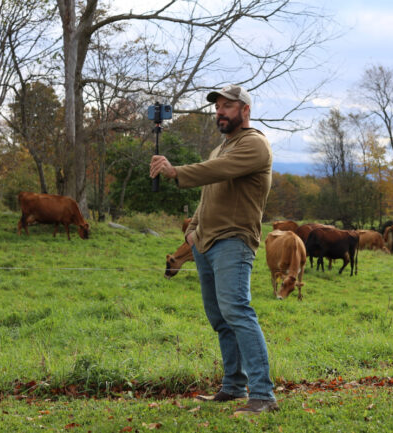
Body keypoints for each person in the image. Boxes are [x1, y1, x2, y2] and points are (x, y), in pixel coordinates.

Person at [149, 84, 278, 416]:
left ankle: (263, 395)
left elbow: (216, 172)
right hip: (206, 244)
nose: (220, 111)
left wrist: (176, 172)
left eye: (227, 106)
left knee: (238, 313)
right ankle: (233, 387)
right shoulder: (222, 147)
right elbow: (211, 192)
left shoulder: (254, 145)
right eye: (218, 106)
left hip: (233, 241)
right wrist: (192, 230)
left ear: (245, 110)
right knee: (221, 319)